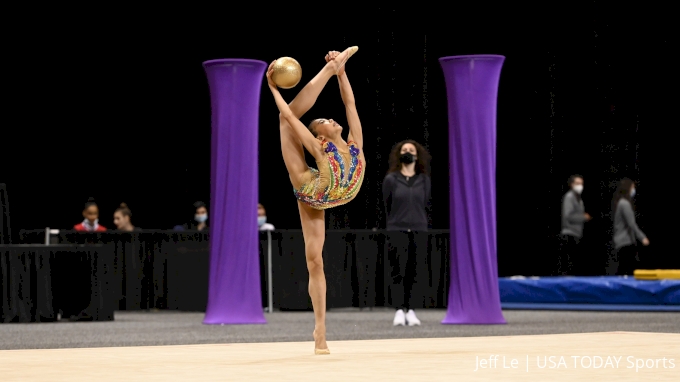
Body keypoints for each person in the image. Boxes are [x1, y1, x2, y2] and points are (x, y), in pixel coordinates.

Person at [265, 46, 363, 354]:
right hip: (314, 192)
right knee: (315, 261)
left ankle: (330, 71)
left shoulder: (354, 143)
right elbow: (287, 116)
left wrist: (342, 73)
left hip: (339, 192)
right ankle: (320, 330)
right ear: (319, 136)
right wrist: (272, 89)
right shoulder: (320, 149)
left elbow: (350, 102)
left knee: (289, 119)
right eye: (323, 120)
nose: (331, 119)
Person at [382, 140, 431, 326]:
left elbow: (426, 204)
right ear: (399, 154)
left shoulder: (424, 180)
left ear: (417, 155)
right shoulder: (391, 179)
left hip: (418, 229)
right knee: (397, 271)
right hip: (397, 229)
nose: (408, 152)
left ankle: (411, 310)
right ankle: (398, 310)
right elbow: (387, 204)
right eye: (404, 150)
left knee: (414, 271)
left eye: (411, 150)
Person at [612, 178, 649, 275]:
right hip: (625, 242)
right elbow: (631, 223)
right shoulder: (624, 203)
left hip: (623, 241)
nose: (634, 190)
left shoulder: (621, 202)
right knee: (626, 269)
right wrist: (642, 237)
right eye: (632, 187)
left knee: (624, 268)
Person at [558, 174, 591, 275]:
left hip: (577, 234)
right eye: (577, 183)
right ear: (572, 184)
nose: (580, 186)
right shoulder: (569, 196)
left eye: (581, 184)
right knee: (568, 266)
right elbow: (568, 216)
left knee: (575, 266)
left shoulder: (579, 200)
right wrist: (583, 217)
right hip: (569, 234)